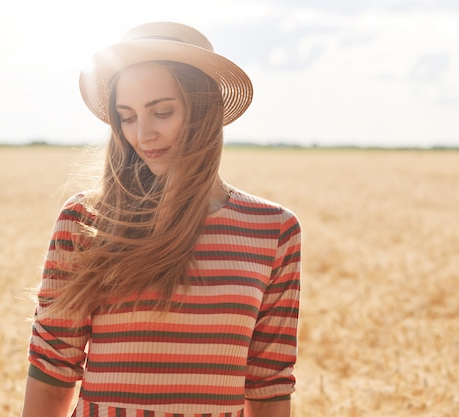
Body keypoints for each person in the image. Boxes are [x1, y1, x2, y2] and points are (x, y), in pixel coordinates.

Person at [21, 22, 301, 417]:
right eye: (127, 117)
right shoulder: (85, 220)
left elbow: (269, 386)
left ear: (205, 108)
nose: (143, 134)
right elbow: (52, 372)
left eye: (162, 111)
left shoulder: (274, 230)